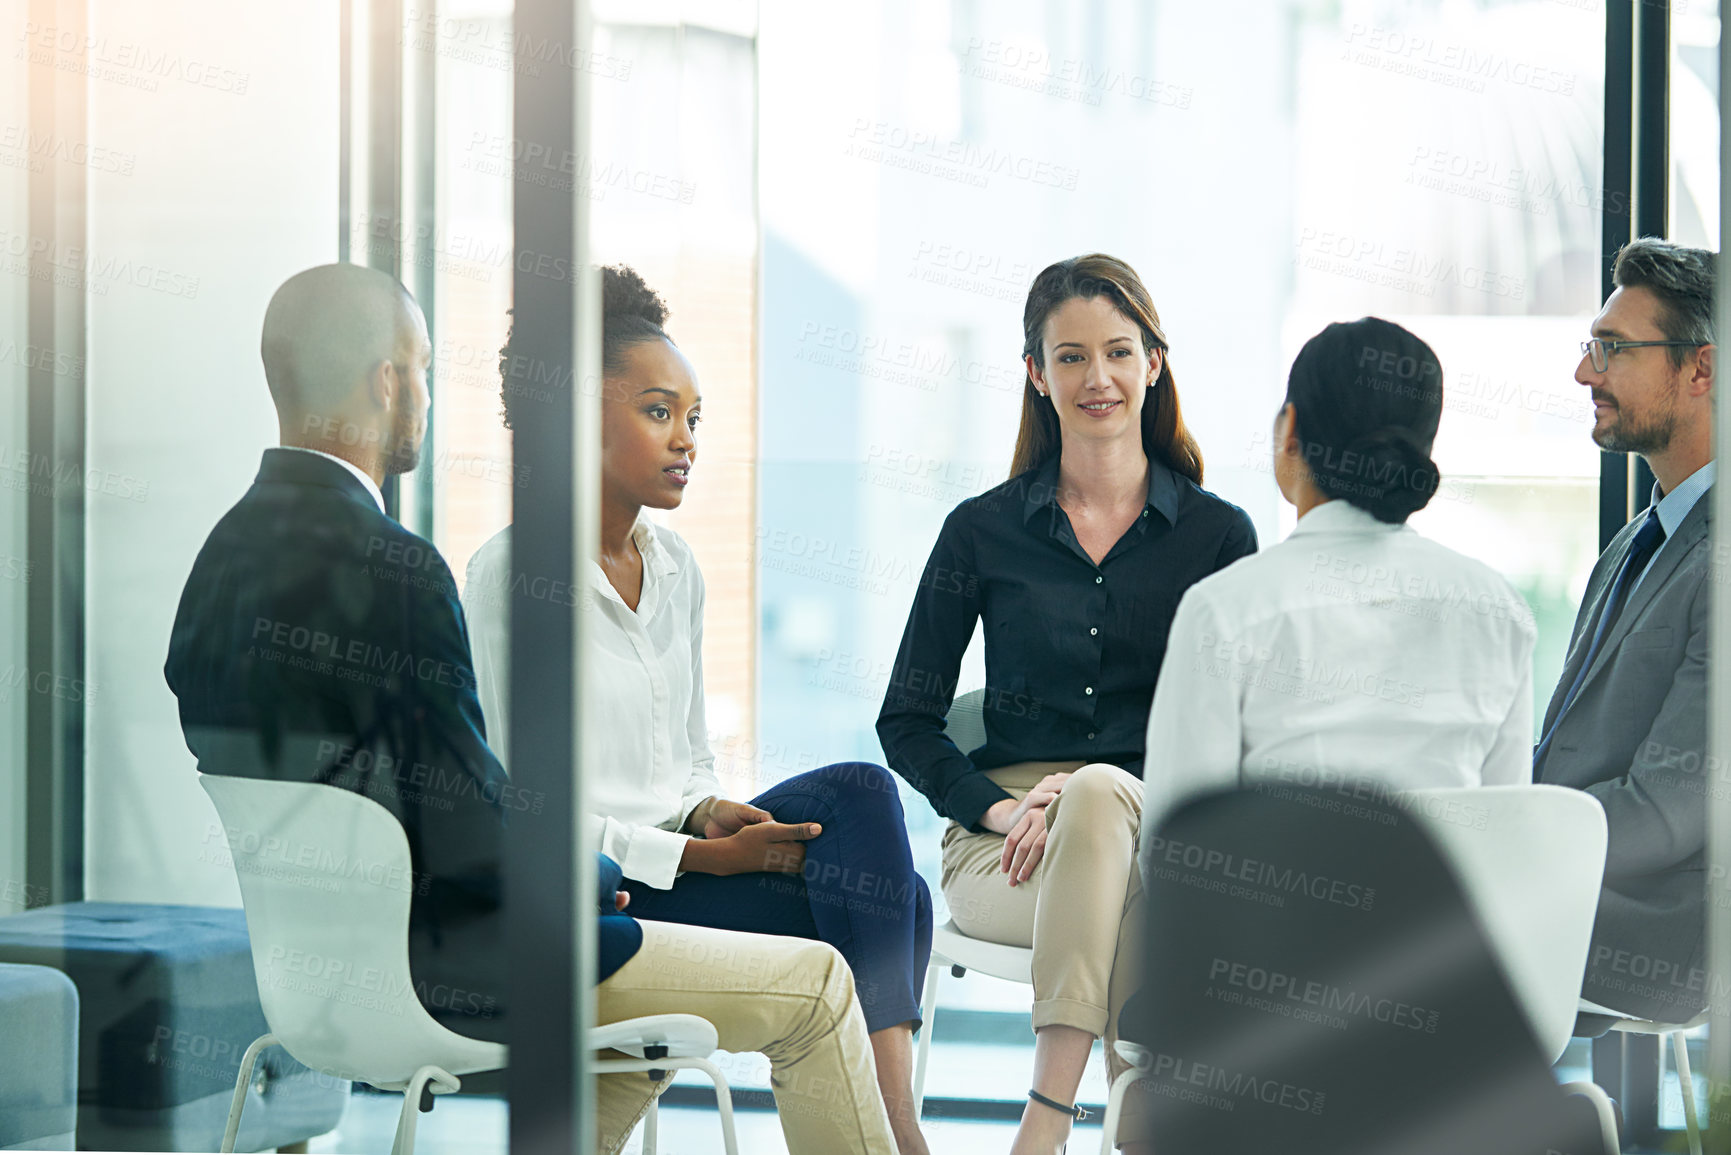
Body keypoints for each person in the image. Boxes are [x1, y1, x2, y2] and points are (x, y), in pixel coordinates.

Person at [165, 263, 899, 1154]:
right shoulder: (397, 570)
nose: (426, 397)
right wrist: (598, 881)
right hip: (461, 967)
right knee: (819, 986)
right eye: (424, 368)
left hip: (318, 982)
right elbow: (475, 823)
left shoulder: (216, 565)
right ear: (387, 381)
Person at [462, 265, 934, 1154]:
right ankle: (902, 1135)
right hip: (608, 895)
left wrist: (709, 809)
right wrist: (702, 856)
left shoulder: (675, 568)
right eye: (656, 411)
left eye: (692, 418)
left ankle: (897, 1129)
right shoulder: (511, 578)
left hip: (685, 864)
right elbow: (517, 808)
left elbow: (686, 760)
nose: (684, 440)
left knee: (862, 794)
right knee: (898, 900)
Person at [876, 253, 1256, 1155]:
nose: (1098, 377)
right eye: (1071, 356)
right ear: (1035, 374)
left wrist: (1092, 788)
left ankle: (1040, 1129)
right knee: (1124, 878)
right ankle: (1135, 1126)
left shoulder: (1218, 535)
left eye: (1119, 352)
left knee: (1096, 799)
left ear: (1153, 364)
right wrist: (1005, 804)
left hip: (1152, 832)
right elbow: (905, 718)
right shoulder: (980, 529)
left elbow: (1236, 729)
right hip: (1004, 853)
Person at [1137, 316, 1536, 858]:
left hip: (1272, 939)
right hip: (1449, 940)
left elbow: (1175, 854)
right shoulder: (1500, 611)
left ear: (1290, 430)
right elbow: (1507, 841)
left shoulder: (1226, 611)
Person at [1538, 238, 1716, 1025]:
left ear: (1700, 370)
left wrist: (1503, 849)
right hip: (1571, 891)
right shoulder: (1635, 542)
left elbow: (1670, 812)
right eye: (1590, 348)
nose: (1585, 374)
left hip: (1658, 929)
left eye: (1611, 349)